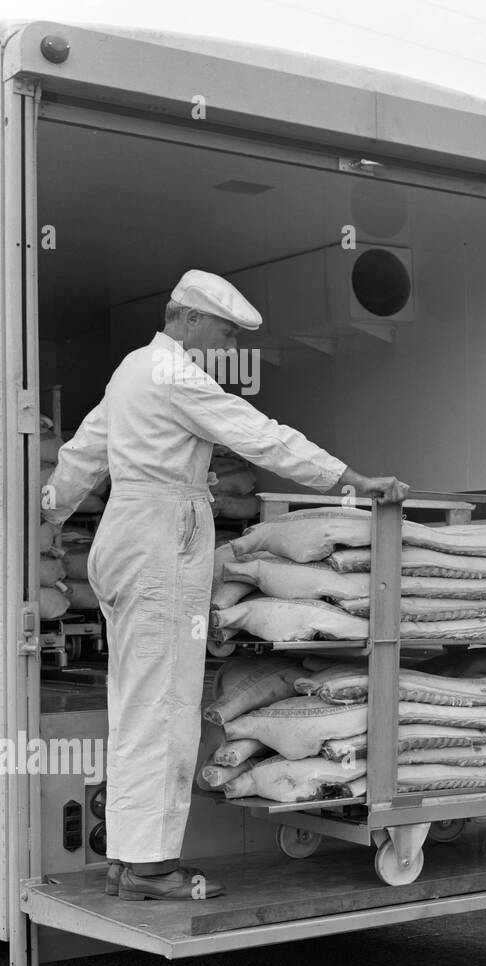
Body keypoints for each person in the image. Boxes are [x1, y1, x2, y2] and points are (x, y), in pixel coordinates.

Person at [41, 269, 408, 901]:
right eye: (223, 331)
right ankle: (152, 867)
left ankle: (129, 856)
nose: (228, 346)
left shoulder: (132, 369)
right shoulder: (177, 373)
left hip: (126, 540)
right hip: (159, 544)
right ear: (184, 317)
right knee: (167, 705)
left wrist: (46, 512)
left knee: (136, 701)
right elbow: (259, 435)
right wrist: (350, 478)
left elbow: (81, 454)